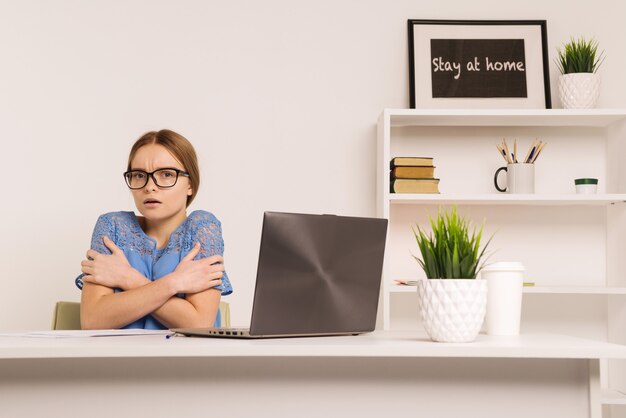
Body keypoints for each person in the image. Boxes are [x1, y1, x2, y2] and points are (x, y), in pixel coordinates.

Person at [76, 129, 232, 330]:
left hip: (185, 360)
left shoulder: (202, 228)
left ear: (190, 184)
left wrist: (128, 278)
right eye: (139, 175)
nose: (149, 186)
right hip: (117, 358)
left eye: (166, 174)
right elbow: (93, 321)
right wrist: (174, 283)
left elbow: (199, 323)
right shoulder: (112, 227)